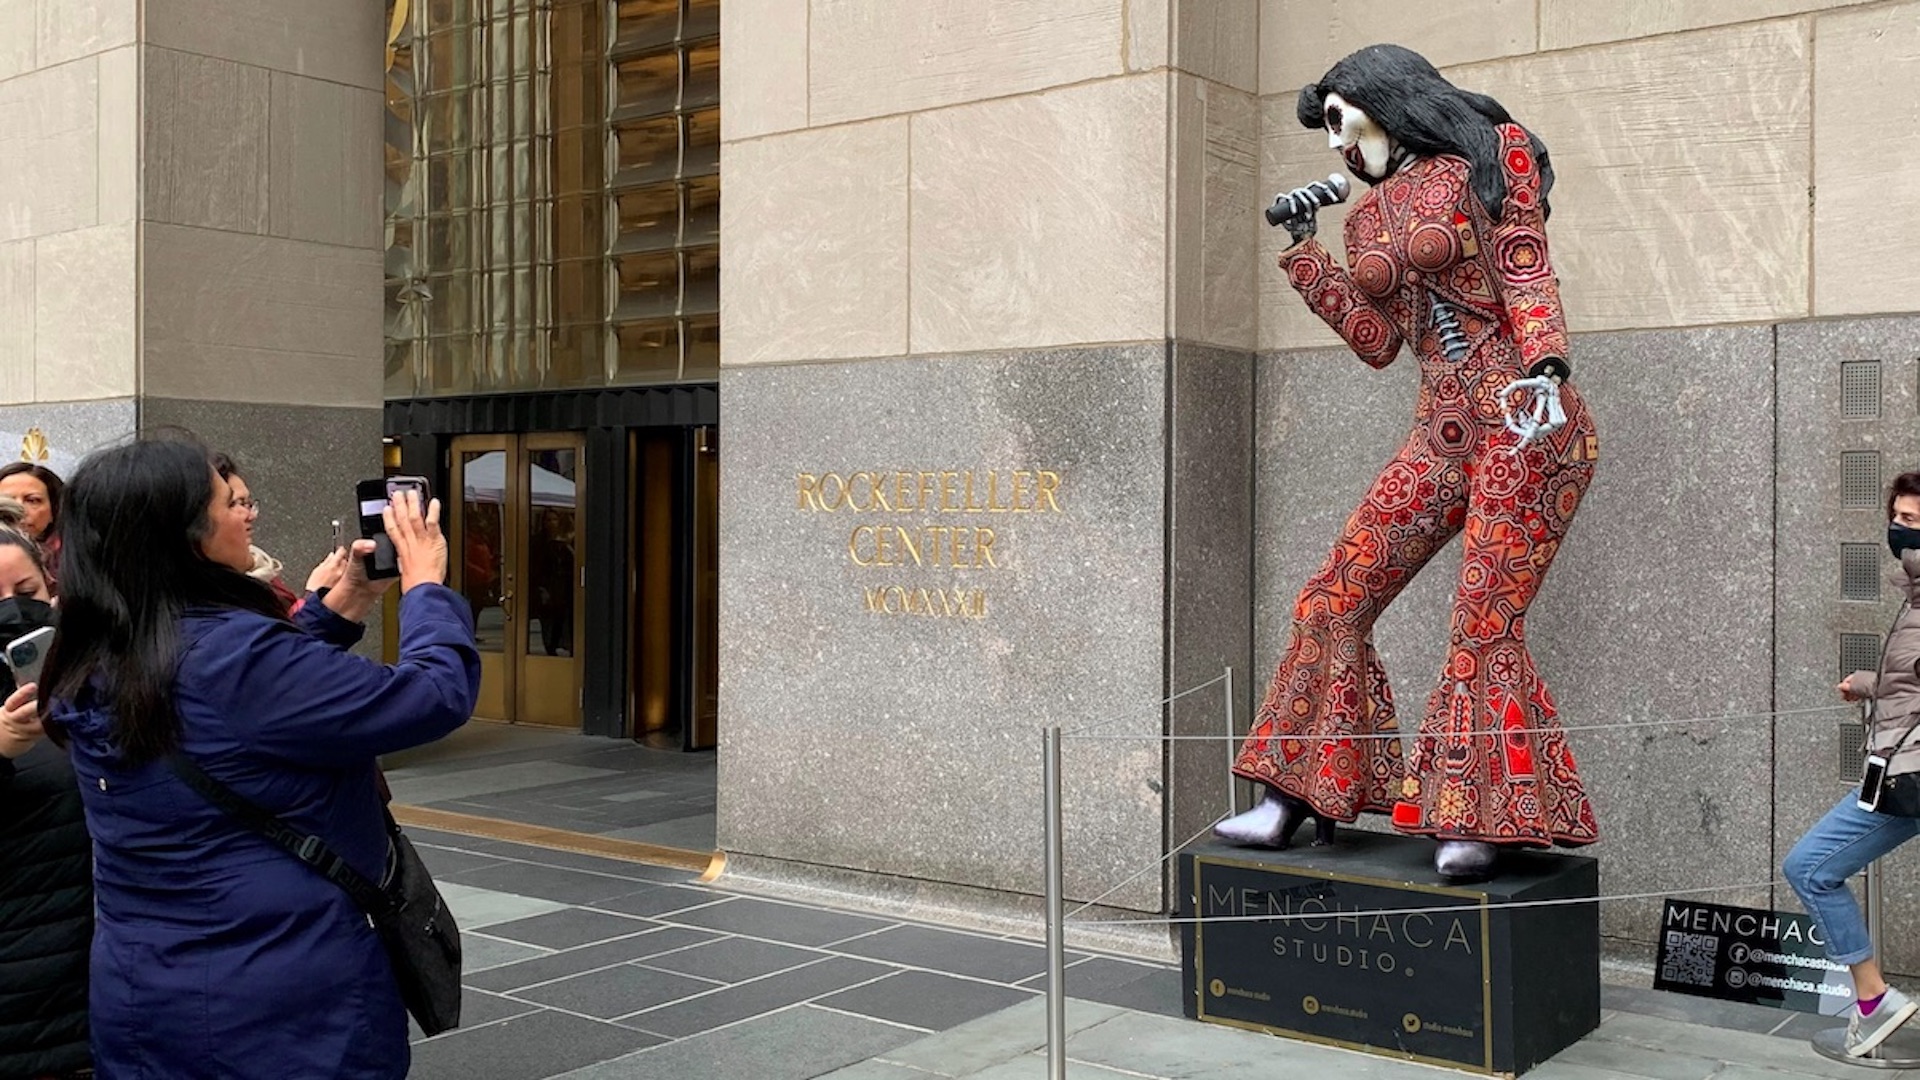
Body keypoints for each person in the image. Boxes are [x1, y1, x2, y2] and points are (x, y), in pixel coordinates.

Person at [1217, 44, 1599, 881]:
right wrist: (1306, 253)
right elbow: (1378, 341)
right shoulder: (1364, 219)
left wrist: (1546, 368)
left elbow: (1526, 266)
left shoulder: (1492, 158)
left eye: (1339, 121)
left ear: (1383, 101)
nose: (1336, 144)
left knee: (1483, 620)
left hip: (1525, 421)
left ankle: (1487, 819)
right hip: (1442, 433)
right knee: (1331, 599)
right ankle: (1295, 795)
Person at [42, 434, 479, 1079]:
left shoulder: (100, 642)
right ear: (186, 534)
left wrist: (343, 604)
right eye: (230, 502)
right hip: (283, 1001)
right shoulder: (234, 656)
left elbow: (220, 700)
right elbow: (433, 695)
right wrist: (425, 587)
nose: (247, 514)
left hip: (145, 986)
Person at [1784, 470, 1920, 1057]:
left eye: (1912, 521)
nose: (1899, 530)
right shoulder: (1915, 597)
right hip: (1904, 762)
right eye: (1898, 518)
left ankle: (1874, 999)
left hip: (1909, 769)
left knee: (1810, 867)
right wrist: (1868, 683)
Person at [0, 501, 89, 1079]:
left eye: (26, 590)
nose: (11, 610)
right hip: (18, 1017)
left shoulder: (93, 672)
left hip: (102, 1003)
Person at [0, 462, 65, 587]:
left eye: (32, 500)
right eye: (8, 500)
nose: (20, 509)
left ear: (54, 509)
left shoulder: (74, 562)